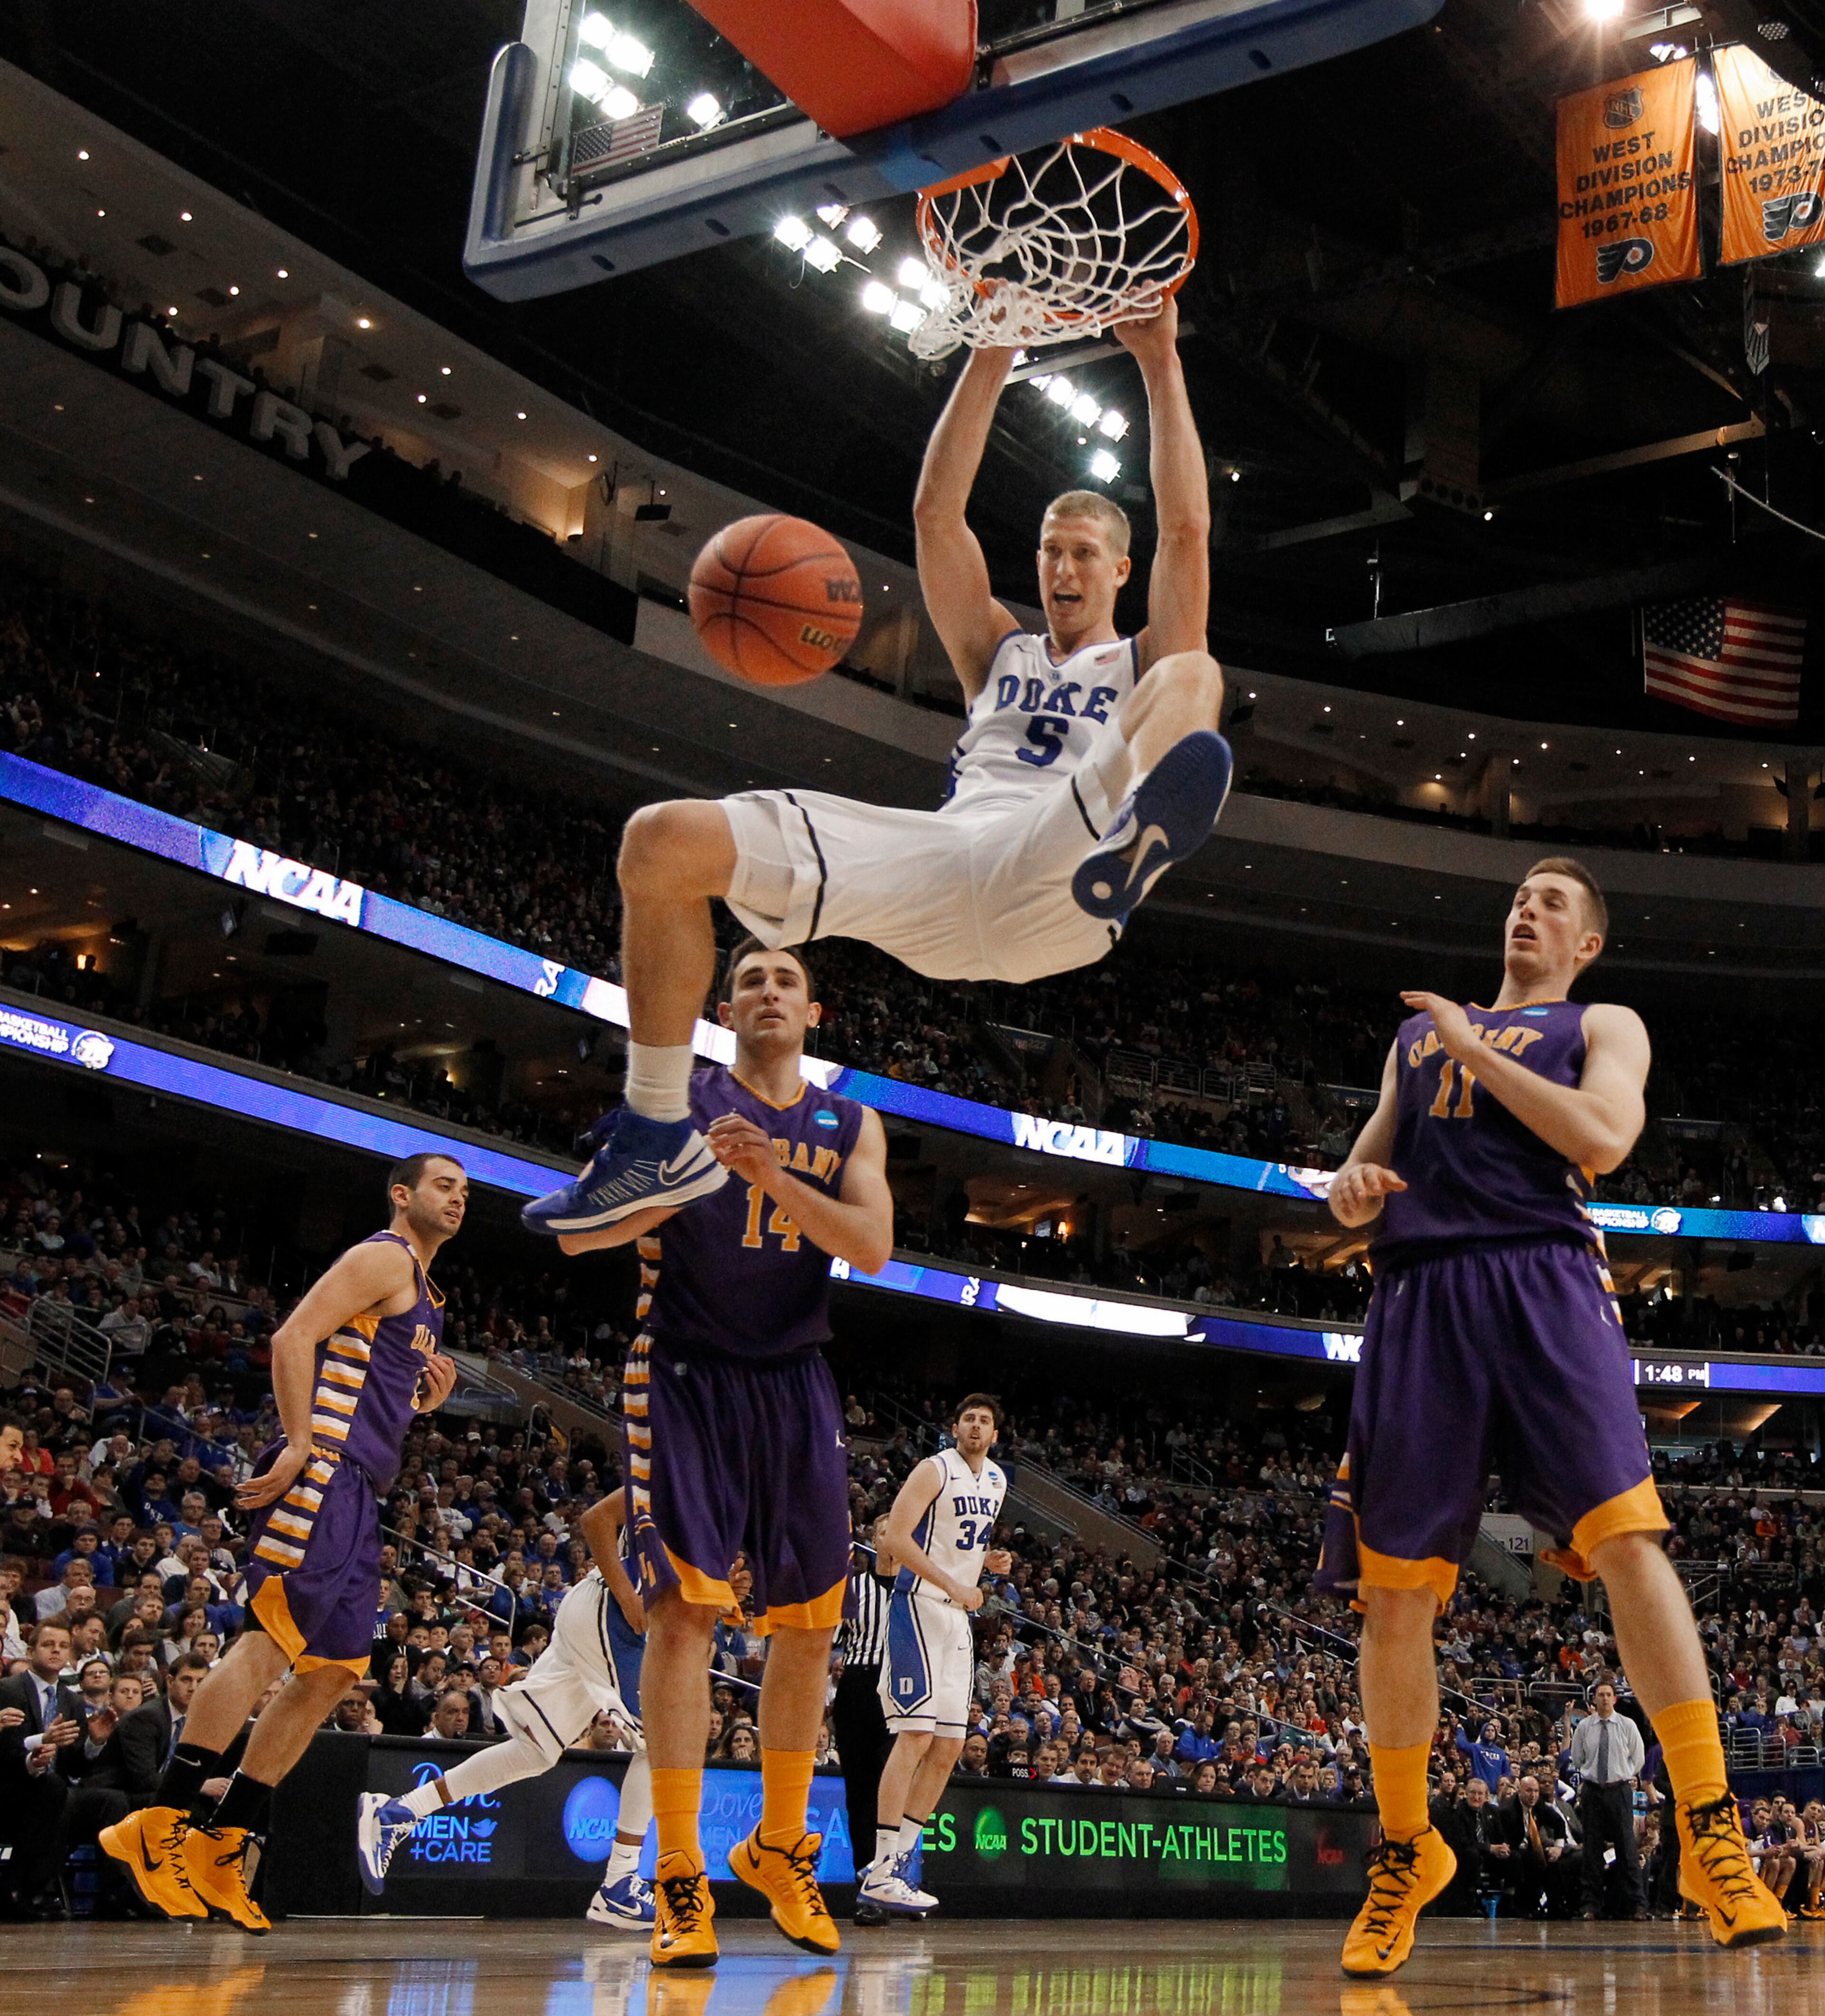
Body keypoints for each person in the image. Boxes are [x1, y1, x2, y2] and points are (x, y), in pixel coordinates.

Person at [521, 300, 1226, 1241]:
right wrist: (994, 349)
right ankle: (656, 1131)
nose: (1062, 566)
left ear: (1120, 571)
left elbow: (1187, 528)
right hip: (941, 865)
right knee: (658, 845)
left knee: (1194, 674)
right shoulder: (995, 649)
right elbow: (937, 512)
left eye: (1083, 554)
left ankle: (1138, 844)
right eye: (1051, 549)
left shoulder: (1138, 653)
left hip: (1067, 866)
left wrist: (1160, 361)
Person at [1316, 858, 1785, 1976]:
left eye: (1555, 902)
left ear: (1583, 944)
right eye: (1520, 894)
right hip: (1418, 1296)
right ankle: (1404, 1847)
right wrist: (1344, 1186)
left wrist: (1479, 1050)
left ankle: (1707, 1827)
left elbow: (1602, 1138)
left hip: (1544, 1280)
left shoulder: (1600, 1021)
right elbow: (1364, 1159)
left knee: (1627, 1535)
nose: (1529, 906)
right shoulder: (1415, 1041)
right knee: (1392, 1592)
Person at [547, 940, 893, 1968]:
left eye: (786, 980)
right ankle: (680, 1871)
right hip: (686, 1372)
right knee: (686, 1611)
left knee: (811, 1619)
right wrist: (684, 1175)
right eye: (751, 980)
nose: (769, 992)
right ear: (726, 1009)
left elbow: (870, 1246)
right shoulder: (672, 1097)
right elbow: (576, 1233)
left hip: (796, 1379)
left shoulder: (848, 1122)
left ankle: (779, 1840)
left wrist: (770, 1170)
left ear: (814, 1012)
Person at [100, 1152, 465, 1933]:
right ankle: (158, 1824)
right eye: (444, 1183)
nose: (459, 1196)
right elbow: (294, 1337)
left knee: (333, 1673)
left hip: (362, 1491)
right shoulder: (382, 1257)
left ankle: (221, 1841)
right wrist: (298, 1443)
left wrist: (423, 1401)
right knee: (268, 1647)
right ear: (403, 1196)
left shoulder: (429, 1298)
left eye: (466, 1189)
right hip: (324, 1474)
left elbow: (367, 1381)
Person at [355, 1485, 657, 1929]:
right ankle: (619, 1881)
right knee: (665, 1742)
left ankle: (397, 1813)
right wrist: (628, 1596)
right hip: (613, 1612)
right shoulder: (685, 1464)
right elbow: (595, 1520)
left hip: (602, 1615)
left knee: (535, 1751)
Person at [861, 1396, 1011, 1917]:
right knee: (916, 1736)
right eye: (968, 1418)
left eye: (984, 1420)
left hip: (957, 1617)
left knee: (949, 1747)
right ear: (954, 1428)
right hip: (920, 1606)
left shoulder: (996, 1480)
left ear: (995, 1432)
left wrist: (987, 1563)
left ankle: (898, 1863)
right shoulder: (934, 1468)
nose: (976, 1426)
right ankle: (881, 1865)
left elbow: (961, 1544)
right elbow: (897, 1539)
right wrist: (954, 1580)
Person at [0, 1618, 130, 1916]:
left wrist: (93, 1744)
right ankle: (24, 1889)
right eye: (48, 1645)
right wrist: (34, 1757)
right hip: (13, 1789)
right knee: (53, 1791)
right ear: (31, 1651)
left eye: (63, 1647)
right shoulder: (9, 1689)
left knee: (111, 1800)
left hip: (55, 1790)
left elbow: (73, 1764)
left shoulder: (70, 1700)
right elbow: (4, 1751)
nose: (56, 1652)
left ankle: (111, 1897)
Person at [832, 1516, 899, 1928]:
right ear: (874, 1541)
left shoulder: (918, 1591)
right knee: (861, 1793)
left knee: (897, 1791)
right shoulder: (854, 1588)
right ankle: (868, 1888)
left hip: (902, 1690)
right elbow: (828, 1639)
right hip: (859, 1685)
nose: (892, 1539)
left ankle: (898, 1880)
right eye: (885, 1533)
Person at [1571, 1680, 1649, 1919]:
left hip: (1620, 1791)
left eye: (1609, 1695)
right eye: (1600, 1695)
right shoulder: (1584, 1727)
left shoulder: (1627, 1725)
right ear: (1594, 1699)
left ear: (1615, 1699)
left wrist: (1621, 1775)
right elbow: (1577, 1758)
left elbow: (1638, 1760)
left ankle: (1636, 1905)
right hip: (1593, 1791)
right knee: (1592, 1850)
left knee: (1627, 1848)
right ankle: (1590, 1906)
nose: (1604, 1699)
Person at [1501, 1772, 1577, 1918]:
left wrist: (1558, 1847)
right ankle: (1527, 1907)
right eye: (1529, 1791)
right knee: (1532, 1860)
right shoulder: (1508, 1810)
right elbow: (1507, 1841)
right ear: (1520, 1791)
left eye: (1536, 1791)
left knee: (1552, 1859)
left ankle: (1556, 1906)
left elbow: (1559, 1823)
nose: (1533, 1795)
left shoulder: (1538, 1804)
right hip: (1513, 1850)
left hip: (1531, 1850)